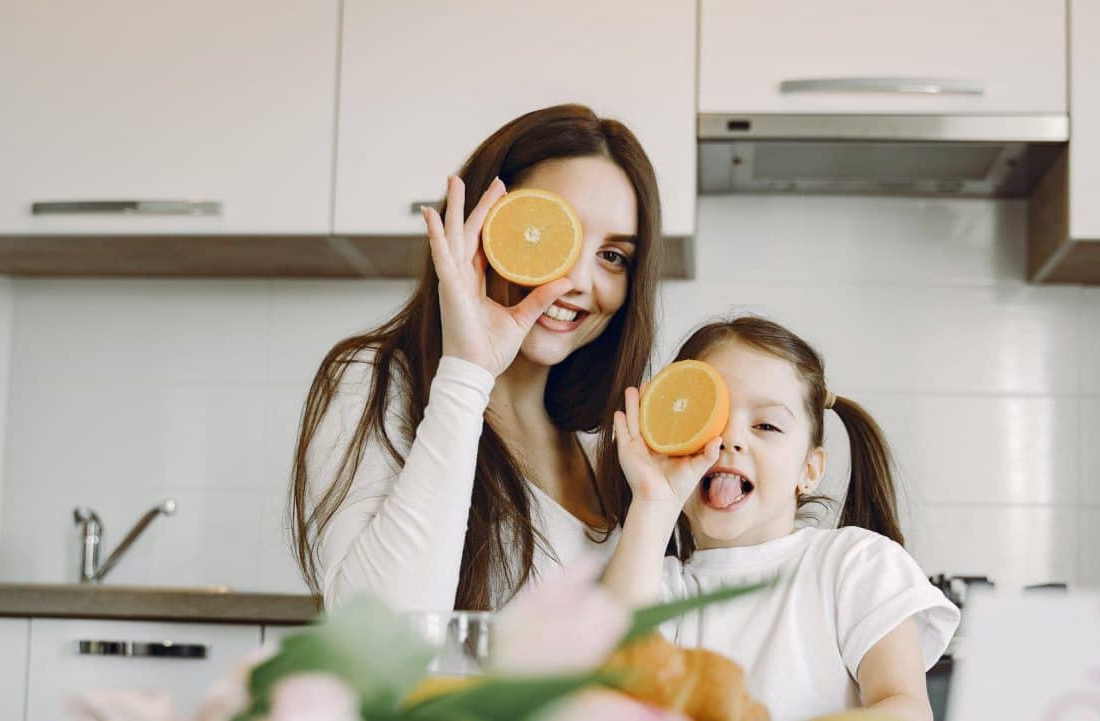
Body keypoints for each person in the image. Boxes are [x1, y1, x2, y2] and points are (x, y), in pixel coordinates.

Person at [290, 104, 665, 612]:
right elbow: (382, 635)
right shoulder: (373, 385)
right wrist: (467, 371)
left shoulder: (602, 449)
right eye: (549, 234)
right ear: (478, 228)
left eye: (613, 256)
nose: (577, 281)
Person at [604, 316, 961, 721]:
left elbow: (906, 710)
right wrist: (653, 500)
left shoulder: (855, 564)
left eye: (766, 425)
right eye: (708, 420)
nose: (729, 440)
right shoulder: (659, 587)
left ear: (809, 470)